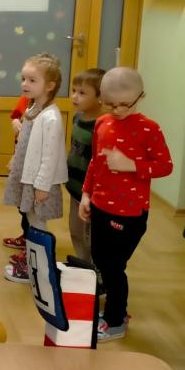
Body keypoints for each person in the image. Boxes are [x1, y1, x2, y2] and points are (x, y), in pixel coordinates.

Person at [80, 67, 172, 341]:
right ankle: (115, 309)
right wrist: (86, 194)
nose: (117, 110)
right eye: (110, 103)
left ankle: (116, 319)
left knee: (113, 266)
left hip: (130, 213)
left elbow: (165, 166)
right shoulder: (101, 122)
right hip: (100, 206)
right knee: (100, 258)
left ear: (140, 97)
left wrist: (131, 164)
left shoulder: (149, 128)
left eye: (124, 104)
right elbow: (95, 162)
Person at [3, 53, 68, 283]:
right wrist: (15, 159)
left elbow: (49, 157)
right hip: (28, 176)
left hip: (38, 182)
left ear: (49, 86)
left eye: (32, 80)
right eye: (24, 78)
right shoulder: (32, 109)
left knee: (38, 225)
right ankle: (33, 266)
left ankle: (41, 270)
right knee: (31, 222)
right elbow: (26, 143)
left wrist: (42, 185)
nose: (25, 84)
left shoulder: (51, 118)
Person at [66, 68, 105, 264]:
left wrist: (90, 192)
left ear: (100, 97)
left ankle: (94, 270)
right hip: (75, 188)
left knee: (90, 237)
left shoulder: (102, 126)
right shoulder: (77, 118)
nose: (75, 96)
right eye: (74, 90)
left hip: (90, 194)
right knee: (75, 231)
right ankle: (82, 264)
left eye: (82, 93)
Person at [2, 94, 31, 251]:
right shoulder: (25, 99)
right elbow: (15, 115)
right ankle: (26, 237)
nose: (25, 84)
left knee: (29, 207)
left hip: (30, 165)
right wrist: (15, 121)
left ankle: (30, 241)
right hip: (20, 159)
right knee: (22, 204)